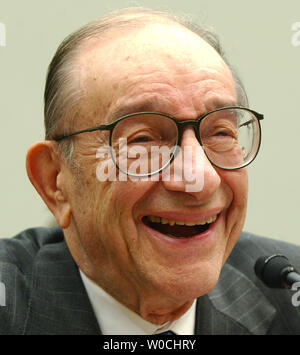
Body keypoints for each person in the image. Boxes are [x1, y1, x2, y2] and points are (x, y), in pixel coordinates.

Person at [1, 7, 300, 335]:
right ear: (54, 180)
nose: (200, 179)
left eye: (220, 132)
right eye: (143, 139)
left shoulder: (289, 294)